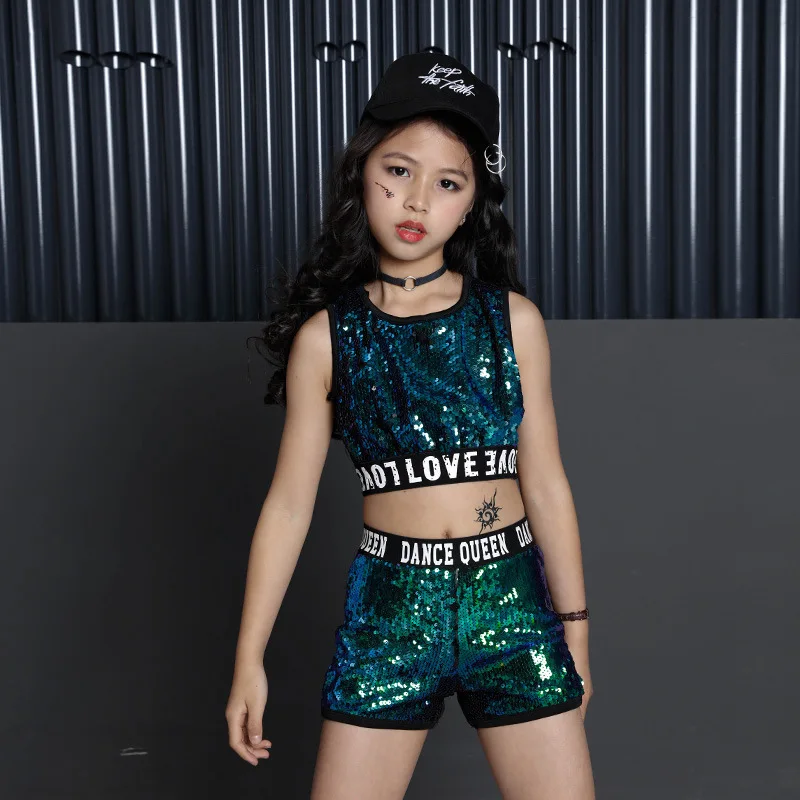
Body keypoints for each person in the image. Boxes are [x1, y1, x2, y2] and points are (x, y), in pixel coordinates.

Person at [226, 51, 596, 799]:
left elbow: (546, 483)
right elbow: (289, 506)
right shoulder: (327, 339)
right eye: (398, 170)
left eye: (448, 182)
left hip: (512, 603)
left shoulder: (513, 322)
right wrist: (248, 658)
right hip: (391, 609)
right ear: (362, 172)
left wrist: (576, 629)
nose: (418, 199)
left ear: (472, 202)